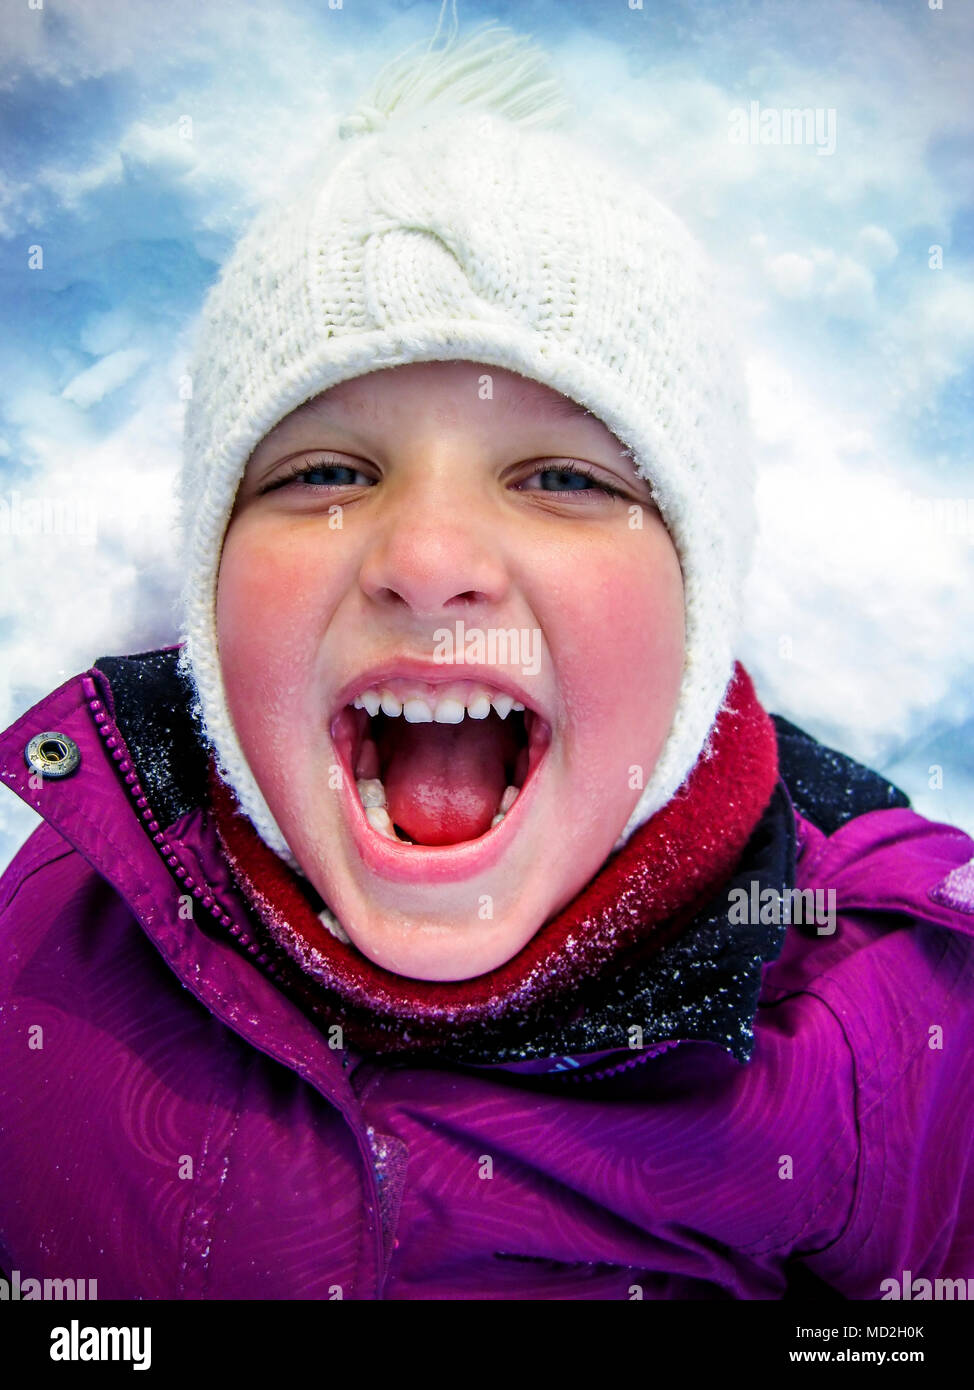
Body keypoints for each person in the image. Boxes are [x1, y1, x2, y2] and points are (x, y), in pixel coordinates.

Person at [1, 21, 973, 1302]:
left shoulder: (876, 1017)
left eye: (564, 476)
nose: (428, 553)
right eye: (327, 473)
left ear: (700, 596)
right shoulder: (74, 909)